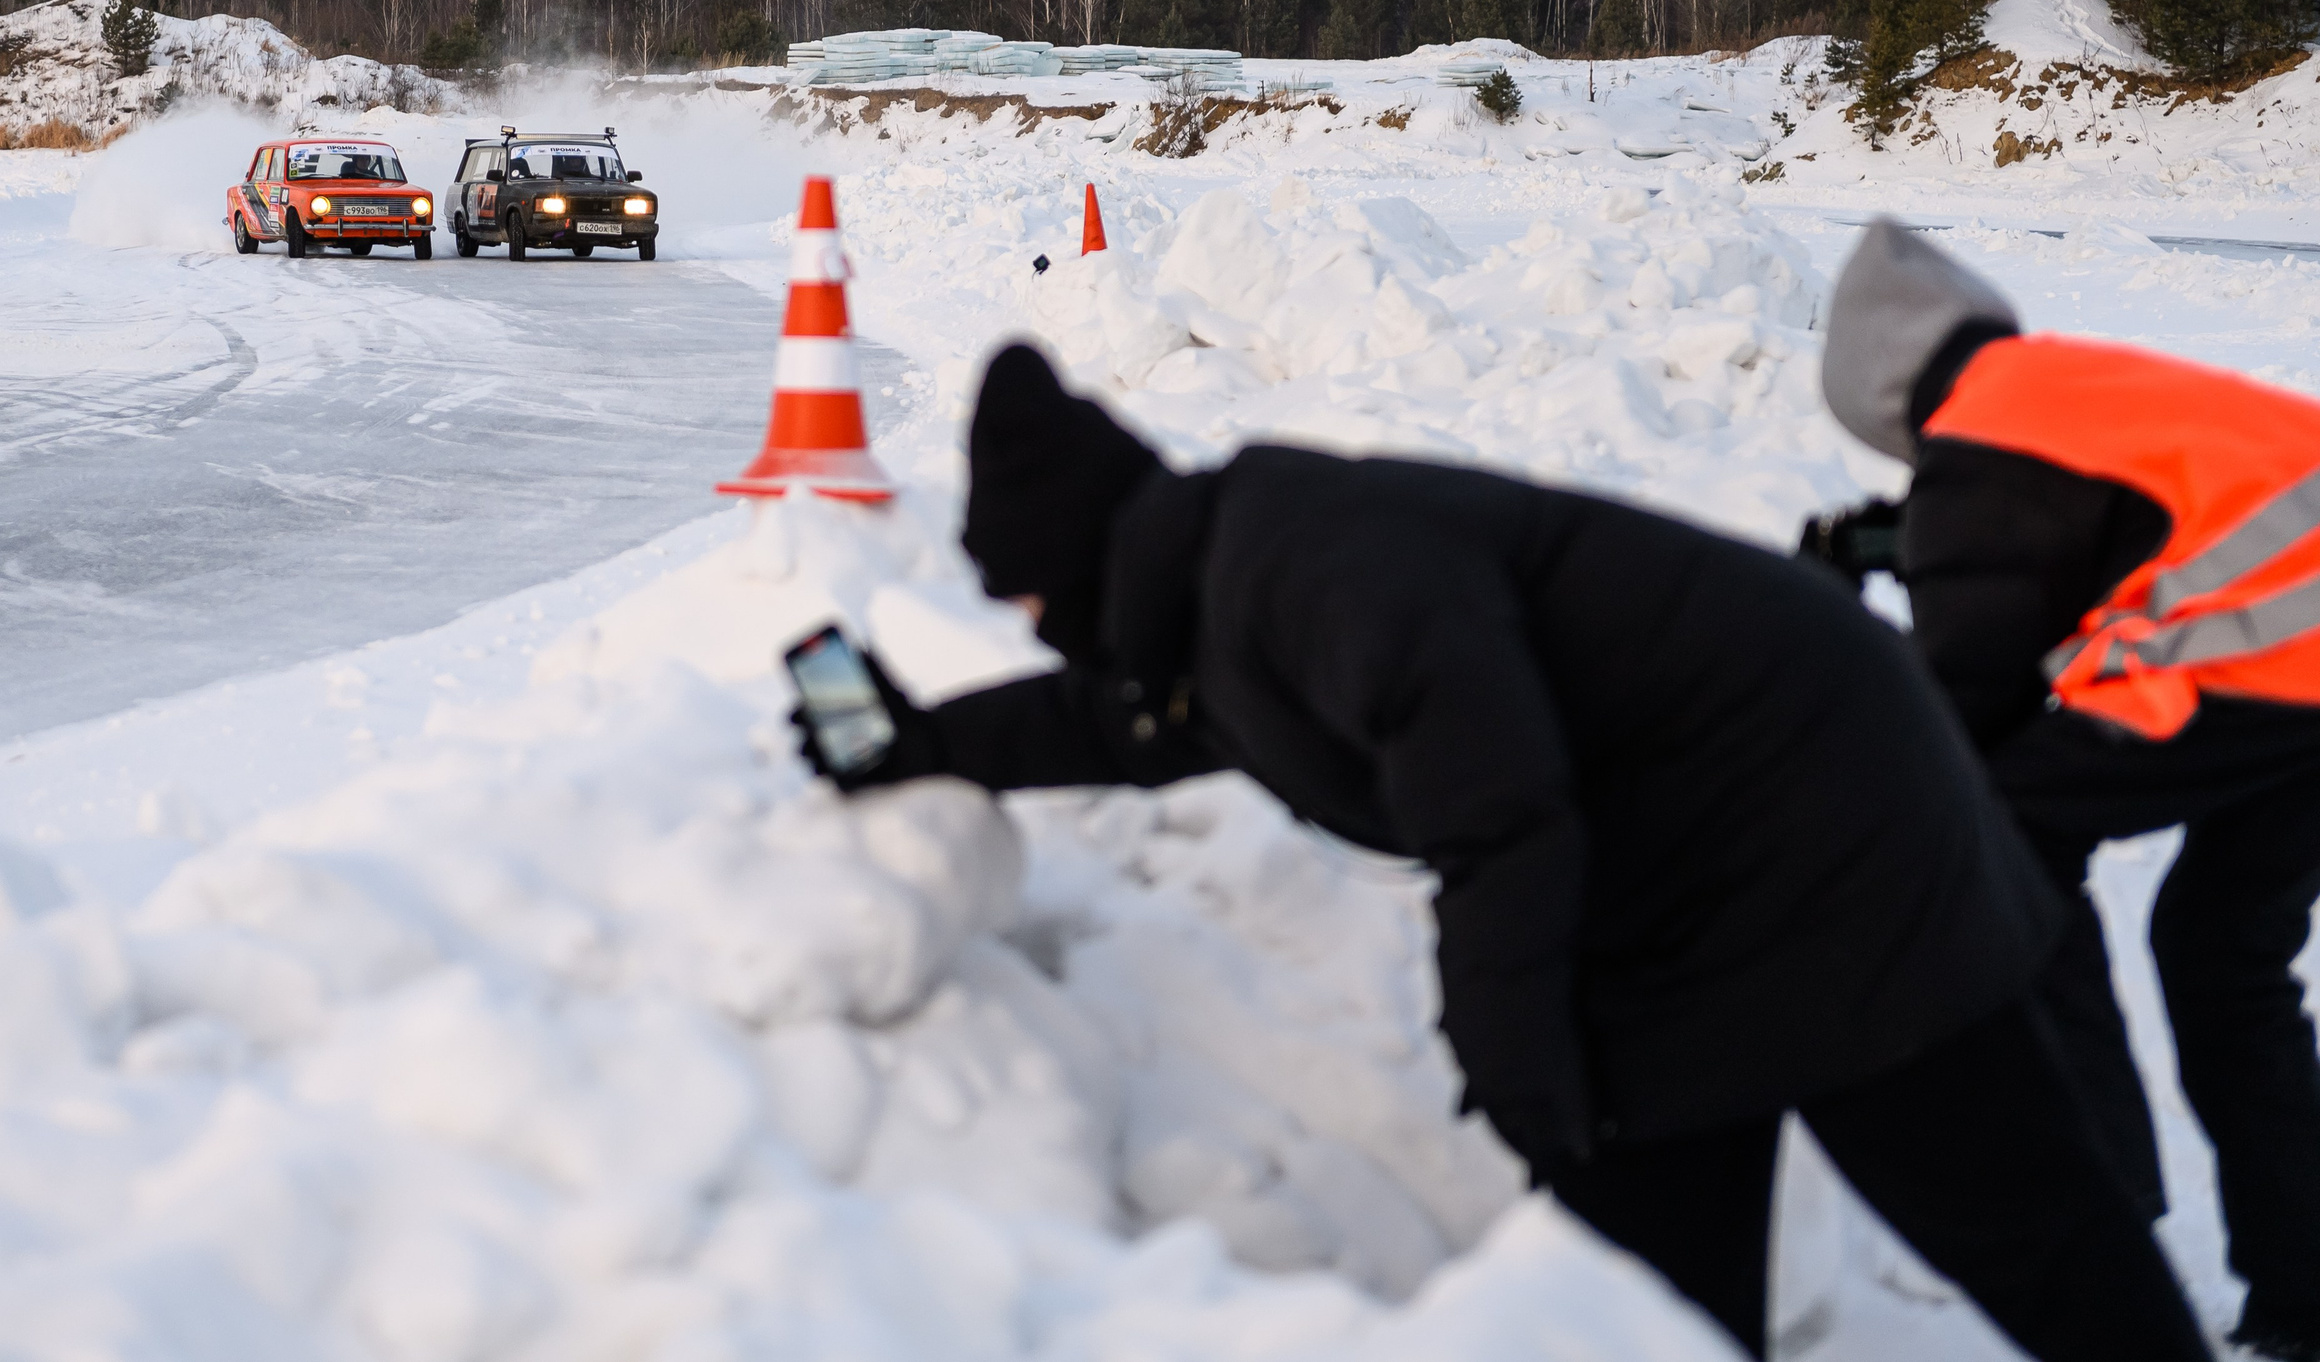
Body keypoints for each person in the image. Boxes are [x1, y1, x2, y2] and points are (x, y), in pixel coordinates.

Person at [798, 341, 2212, 1361]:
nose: (1034, 617)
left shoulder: (1312, 563)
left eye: (1027, 586)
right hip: (1689, 880)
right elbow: (1124, 724)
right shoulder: (1219, 597)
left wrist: (1510, 1046)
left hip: (1827, 828)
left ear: (1086, 553)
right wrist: (919, 743)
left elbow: (1501, 810)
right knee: (1638, 1266)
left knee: (2019, 1222)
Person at [1815, 219, 2320, 1361]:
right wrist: (1910, 547)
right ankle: (2304, 1290)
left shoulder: (1978, 449)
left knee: (2006, 828)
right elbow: (2127, 515)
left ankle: (2104, 1207)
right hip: (2299, 652)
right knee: (2221, 959)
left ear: (1876, 392)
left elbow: (1969, 710)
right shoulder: (2054, 391)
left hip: (2277, 655)